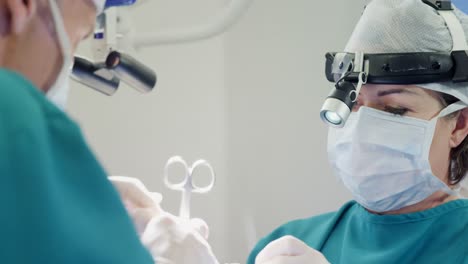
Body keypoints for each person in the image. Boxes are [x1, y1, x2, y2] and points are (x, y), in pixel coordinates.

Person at [248, 0, 468, 263]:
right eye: (352, 103)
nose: (363, 125)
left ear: (459, 124)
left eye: (393, 109)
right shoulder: (289, 244)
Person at [0, 0, 218, 263]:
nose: (69, 61)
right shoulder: (14, 111)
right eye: (80, 34)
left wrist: (75, 216)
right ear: (18, 6)